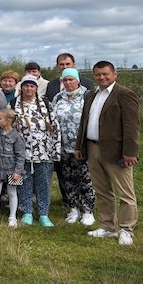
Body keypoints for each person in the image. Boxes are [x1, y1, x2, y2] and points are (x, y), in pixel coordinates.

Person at [75, 61, 140, 246]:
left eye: (105, 74)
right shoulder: (91, 95)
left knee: (125, 193)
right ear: (94, 76)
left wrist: (130, 152)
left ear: (115, 74)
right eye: (98, 75)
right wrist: (80, 146)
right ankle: (107, 226)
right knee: (102, 190)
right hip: (93, 148)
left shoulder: (125, 94)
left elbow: (132, 126)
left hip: (117, 151)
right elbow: (84, 122)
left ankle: (126, 229)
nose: (102, 77)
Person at [13, 74, 61, 227]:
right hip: (22, 153)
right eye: (26, 85)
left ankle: (43, 214)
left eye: (32, 85)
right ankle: (26, 211)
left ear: (36, 88)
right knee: (24, 183)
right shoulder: (14, 104)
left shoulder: (45, 104)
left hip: (44, 152)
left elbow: (55, 128)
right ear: (21, 87)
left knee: (44, 184)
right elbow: (9, 128)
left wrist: (55, 151)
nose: (29, 88)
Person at [52, 68, 95, 226]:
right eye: (65, 80)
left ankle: (88, 210)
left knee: (85, 179)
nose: (68, 83)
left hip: (83, 147)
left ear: (78, 80)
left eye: (71, 80)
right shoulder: (58, 98)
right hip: (63, 147)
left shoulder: (88, 96)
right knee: (68, 180)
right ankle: (73, 209)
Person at [0, 109, 26, 227]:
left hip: (12, 169)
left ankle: (12, 217)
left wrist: (18, 171)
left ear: (8, 121)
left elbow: (21, 155)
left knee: (12, 192)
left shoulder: (16, 136)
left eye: (0, 118)